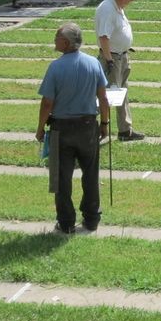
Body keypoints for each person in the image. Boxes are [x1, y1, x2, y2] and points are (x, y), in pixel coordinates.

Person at [35, 21, 109, 234]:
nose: (54, 40)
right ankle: (92, 219)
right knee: (90, 175)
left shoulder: (56, 67)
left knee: (61, 178)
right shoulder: (94, 64)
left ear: (65, 43)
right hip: (88, 126)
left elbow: (47, 103)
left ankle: (66, 222)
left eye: (57, 36)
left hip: (62, 129)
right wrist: (104, 123)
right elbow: (102, 98)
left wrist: (40, 128)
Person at [94, 0, 145, 142]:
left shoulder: (117, 7)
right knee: (107, 96)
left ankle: (125, 130)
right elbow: (103, 37)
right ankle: (95, 127)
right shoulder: (108, 9)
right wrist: (109, 60)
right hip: (113, 59)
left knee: (121, 94)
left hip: (121, 57)